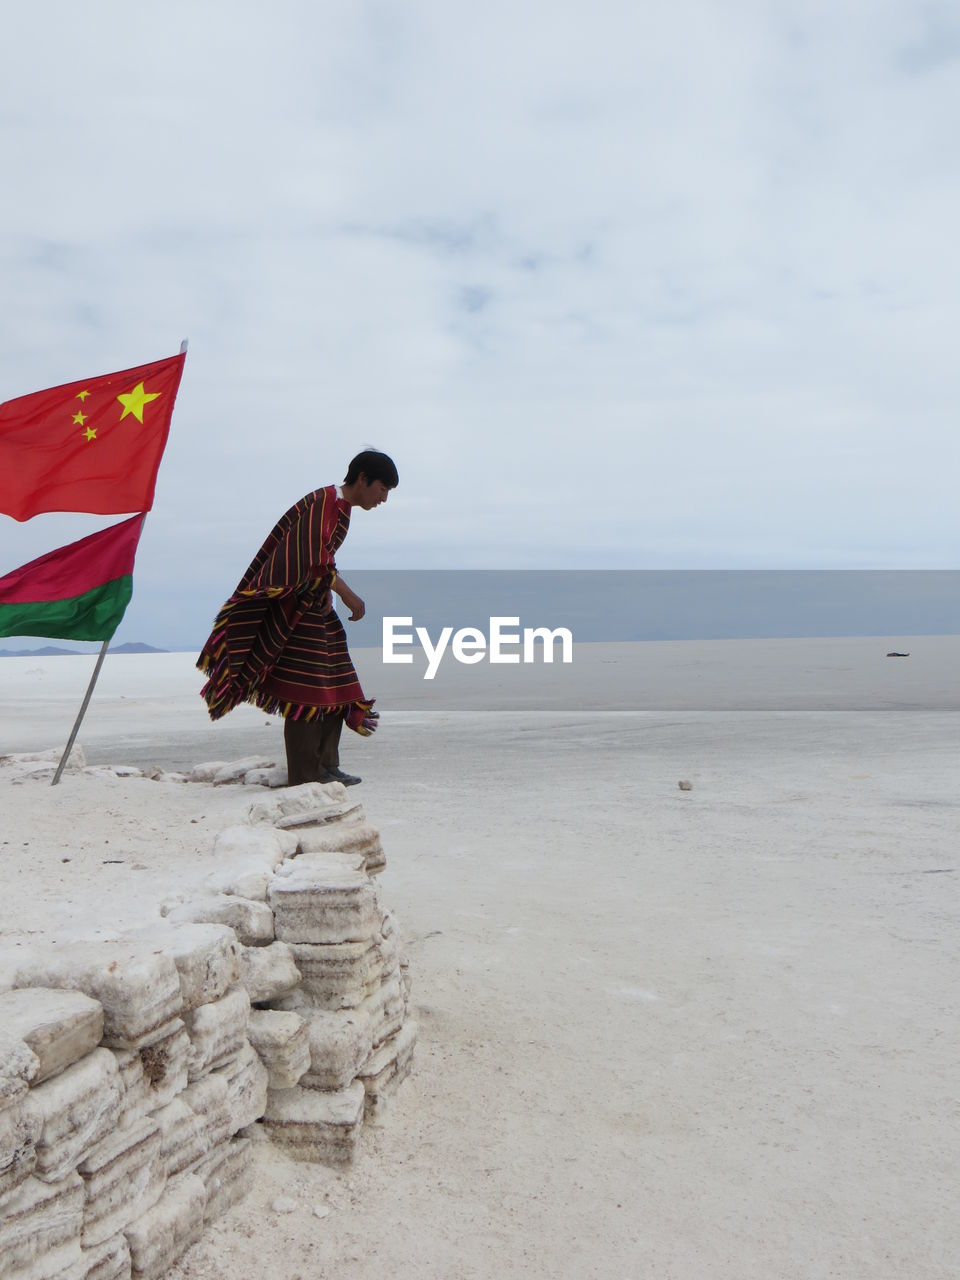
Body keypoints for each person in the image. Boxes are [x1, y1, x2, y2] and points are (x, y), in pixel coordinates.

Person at [197, 450, 398, 786]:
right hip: (295, 610)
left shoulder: (340, 508)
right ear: (362, 479)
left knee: (338, 683)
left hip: (315, 607)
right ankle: (306, 776)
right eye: (382, 488)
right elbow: (312, 560)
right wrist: (348, 595)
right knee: (308, 692)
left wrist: (331, 596)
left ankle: (326, 766)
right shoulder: (324, 503)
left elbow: (320, 563)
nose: (383, 498)